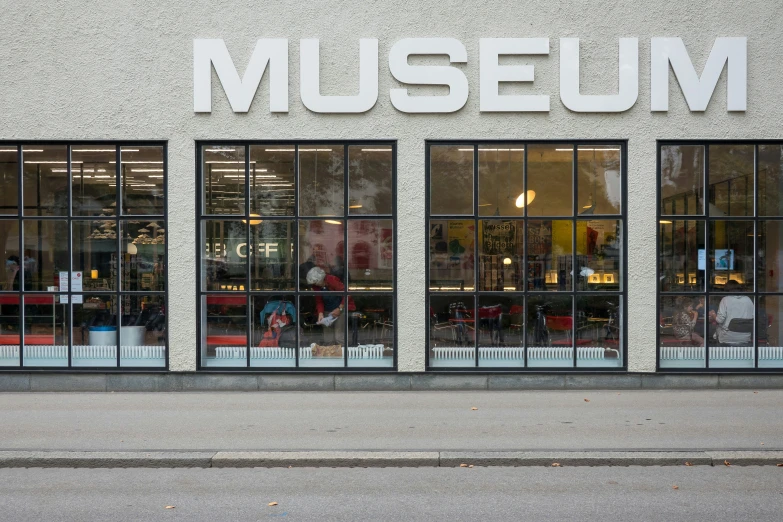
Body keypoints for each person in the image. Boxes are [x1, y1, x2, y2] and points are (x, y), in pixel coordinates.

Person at [306, 266, 354, 345]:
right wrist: (320, 313)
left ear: (320, 279)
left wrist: (340, 309)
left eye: (315, 282)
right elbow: (319, 301)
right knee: (328, 339)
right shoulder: (316, 287)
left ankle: (343, 355)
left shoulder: (331, 280)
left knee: (339, 337)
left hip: (340, 309)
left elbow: (347, 294)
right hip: (327, 311)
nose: (314, 285)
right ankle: (330, 355)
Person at [709, 280, 754, 345]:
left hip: (728, 337)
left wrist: (713, 314)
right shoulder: (748, 299)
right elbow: (753, 317)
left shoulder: (725, 300)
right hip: (745, 337)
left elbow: (719, 320)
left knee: (712, 331)